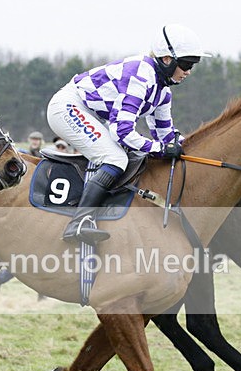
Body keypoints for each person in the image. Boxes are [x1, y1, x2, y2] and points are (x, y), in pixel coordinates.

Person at [46, 24, 211, 244]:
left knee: (128, 156)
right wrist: (160, 149)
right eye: (186, 64)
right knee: (115, 157)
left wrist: (197, 150)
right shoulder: (141, 76)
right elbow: (122, 132)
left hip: (90, 113)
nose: (188, 71)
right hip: (67, 107)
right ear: (167, 59)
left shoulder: (163, 91)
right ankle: (79, 222)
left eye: (193, 66)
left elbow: (166, 136)